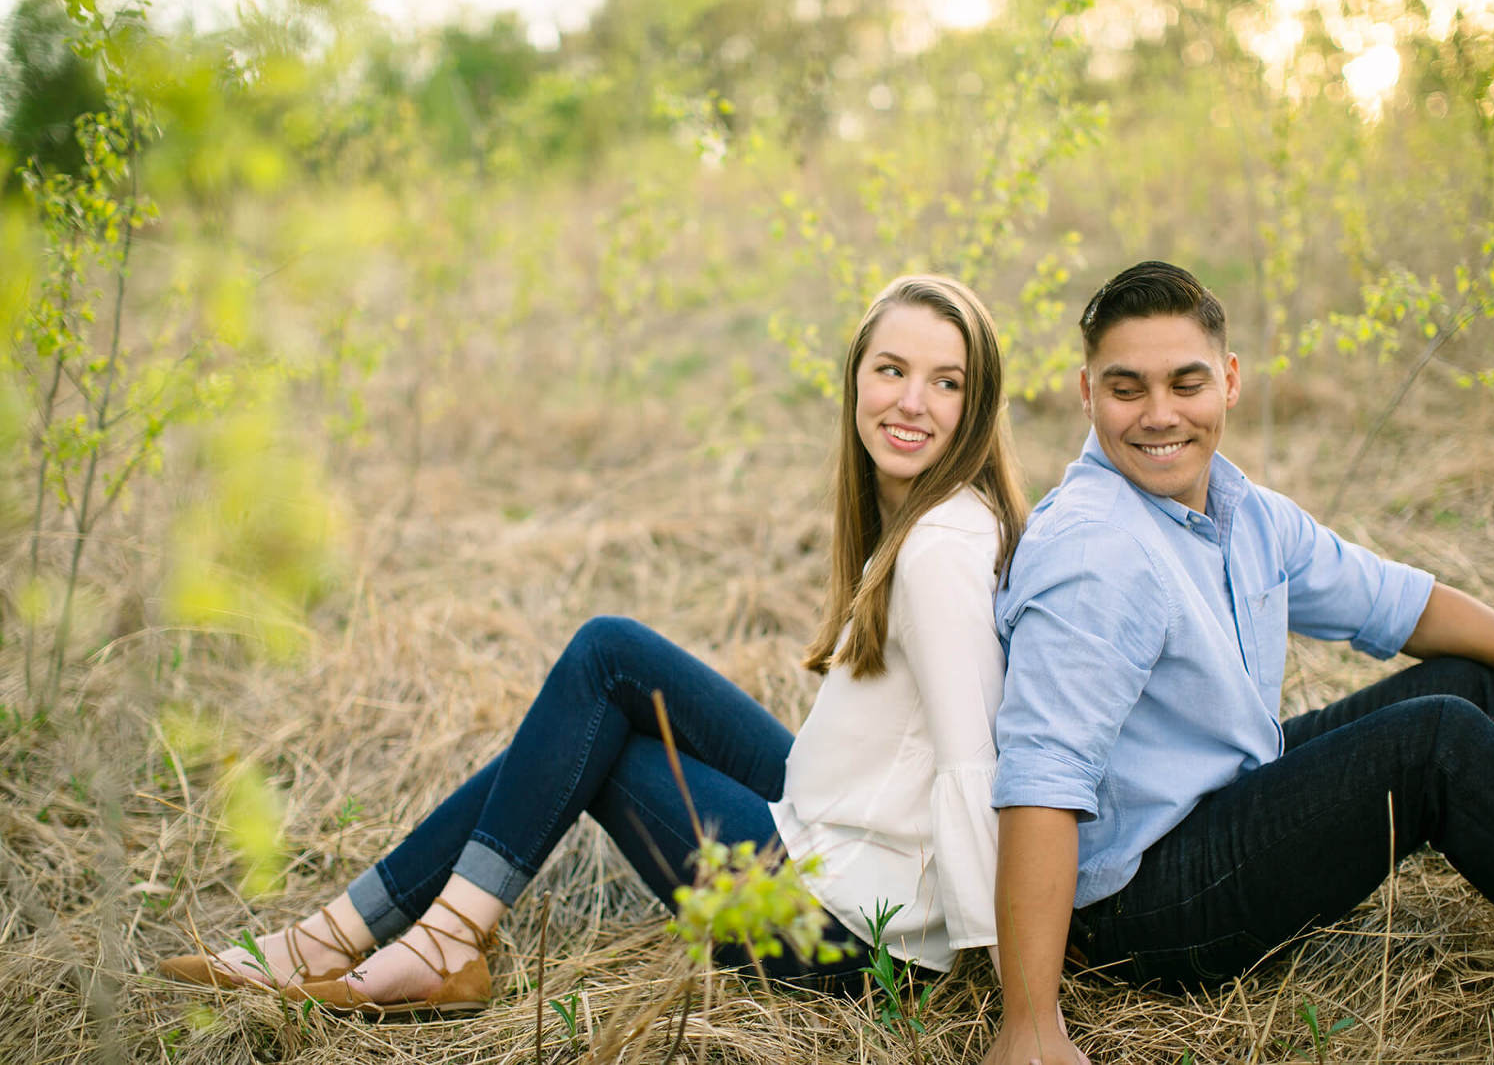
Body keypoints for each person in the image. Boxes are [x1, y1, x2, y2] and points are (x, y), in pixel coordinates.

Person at [159, 274, 1029, 1016]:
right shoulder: (931, 520)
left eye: (945, 382)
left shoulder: (939, 552)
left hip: (838, 933)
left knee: (593, 728)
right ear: (854, 383)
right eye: (892, 370)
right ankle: (343, 941)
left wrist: (1013, 1000)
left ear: (978, 403)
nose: (912, 401)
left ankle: (417, 943)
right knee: (607, 662)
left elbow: (973, 765)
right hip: (830, 826)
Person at [980, 260, 1494, 1065]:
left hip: (1217, 803)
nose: (1159, 414)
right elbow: (1041, 776)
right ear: (1087, 391)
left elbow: (1401, 604)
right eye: (1126, 387)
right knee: (1436, 741)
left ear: (1230, 381)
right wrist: (1028, 1027)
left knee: (1465, 684)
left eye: (1187, 382)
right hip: (1141, 907)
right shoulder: (1097, 550)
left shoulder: (1239, 509)